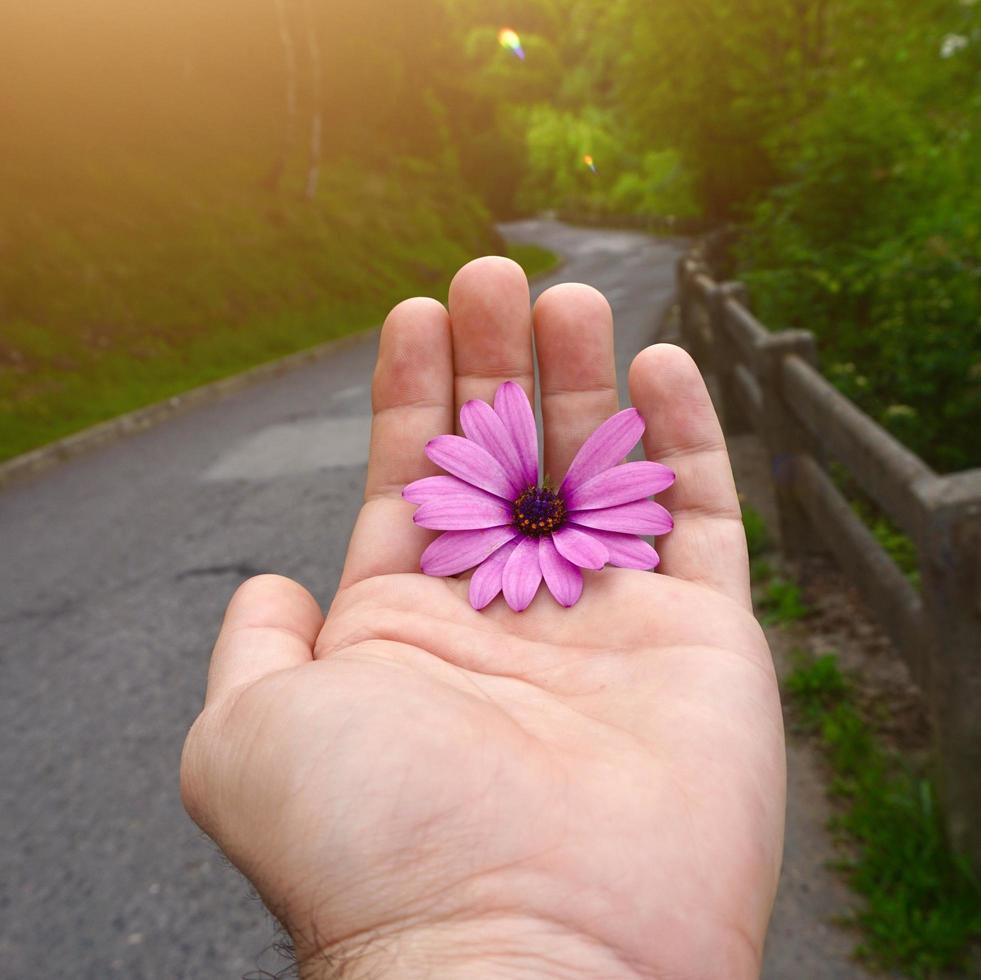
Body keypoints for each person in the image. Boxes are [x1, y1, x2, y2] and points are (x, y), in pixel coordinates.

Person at [180, 257, 786, 979]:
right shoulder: (505, 518)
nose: (540, 507)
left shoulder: (567, 521)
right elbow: (452, 516)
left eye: (545, 502)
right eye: (534, 503)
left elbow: (621, 516)